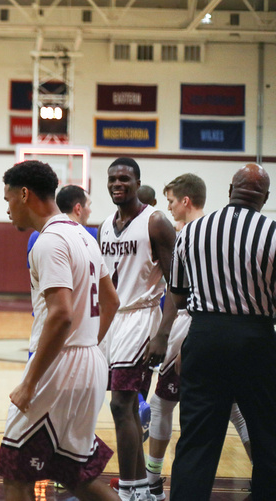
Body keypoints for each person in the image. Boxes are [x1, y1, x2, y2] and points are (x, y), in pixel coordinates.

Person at [0, 160, 120, 501]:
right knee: (74, 473)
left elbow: (61, 315)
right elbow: (111, 302)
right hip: (90, 363)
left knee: (15, 471)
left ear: (24, 194)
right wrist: (87, 345)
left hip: (60, 367)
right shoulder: (84, 234)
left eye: (8, 200)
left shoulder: (48, 241)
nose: (7, 210)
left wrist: (29, 383)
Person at [168, 164, 276, 501]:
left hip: (205, 336)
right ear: (266, 197)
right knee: (267, 435)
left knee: (197, 438)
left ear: (230, 189)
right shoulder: (272, 233)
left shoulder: (192, 231)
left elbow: (179, 293)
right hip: (256, 339)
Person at [144, 173, 252, 500]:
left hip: (192, 326)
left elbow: (191, 296)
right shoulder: (218, 233)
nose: (169, 207)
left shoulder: (190, 236)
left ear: (186, 201)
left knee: (163, 402)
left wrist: (180, 342)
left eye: (172, 201)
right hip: (216, 328)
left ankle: (152, 480)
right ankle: (263, 470)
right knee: (234, 407)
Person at [99, 157, 177, 501]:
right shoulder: (104, 225)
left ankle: (131, 489)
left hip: (142, 317)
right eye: (113, 178)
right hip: (112, 319)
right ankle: (144, 489)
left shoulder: (156, 221)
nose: (118, 184)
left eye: (125, 179)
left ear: (137, 181)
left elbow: (178, 282)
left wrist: (162, 333)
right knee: (126, 407)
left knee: (122, 404)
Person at [27, 185, 96, 267]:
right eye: (88, 205)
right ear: (78, 208)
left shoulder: (36, 236)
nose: (90, 211)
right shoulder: (93, 235)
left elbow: (34, 276)